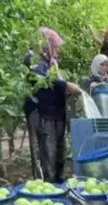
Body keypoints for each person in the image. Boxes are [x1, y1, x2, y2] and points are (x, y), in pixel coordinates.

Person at [23, 27, 82, 182]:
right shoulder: (33, 58)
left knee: (58, 154)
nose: (57, 51)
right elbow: (41, 79)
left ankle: (58, 185)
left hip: (56, 114)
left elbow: (54, 85)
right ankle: (47, 188)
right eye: (55, 46)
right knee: (47, 154)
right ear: (45, 44)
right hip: (42, 114)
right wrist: (66, 85)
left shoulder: (52, 63)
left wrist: (65, 90)